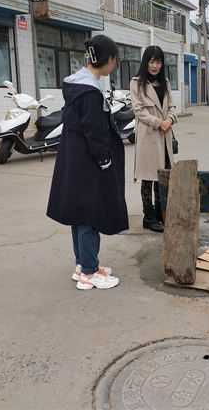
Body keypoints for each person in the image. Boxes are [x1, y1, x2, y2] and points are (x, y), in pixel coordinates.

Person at [46, 35, 128, 290]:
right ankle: (90, 273)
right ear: (110, 59)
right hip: (89, 163)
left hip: (75, 160)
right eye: (115, 60)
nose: (114, 65)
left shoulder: (75, 86)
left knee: (79, 214)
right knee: (90, 215)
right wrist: (104, 160)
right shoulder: (90, 91)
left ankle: (83, 265)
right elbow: (95, 132)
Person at [129, 45, 177, 233]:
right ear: (145, 62)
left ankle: (159, 214)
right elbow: (138, 110)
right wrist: (159, 122)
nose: (155, 65)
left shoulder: (164, 82)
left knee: (162, 177)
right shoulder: (136, 83)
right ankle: (148, 217)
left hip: (164, 136)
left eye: (158, 62)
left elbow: (172, 106)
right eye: (151, 61)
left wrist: (170, 119)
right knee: (148, 178)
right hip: (149, 136)